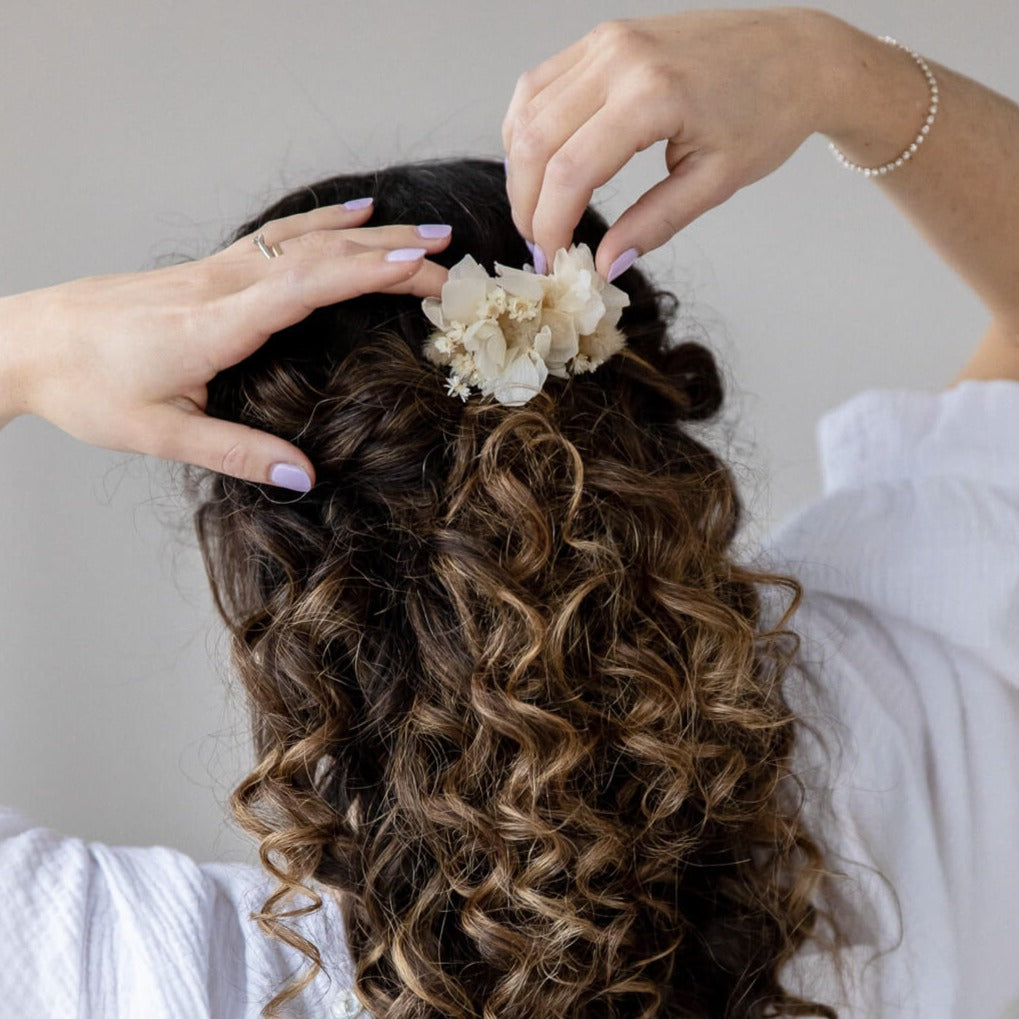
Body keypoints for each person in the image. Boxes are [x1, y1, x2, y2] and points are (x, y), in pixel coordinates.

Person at [1, 7, 1017, 1019]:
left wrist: (29, 346)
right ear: (646, 450)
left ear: (271, 572)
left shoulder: (150, 969)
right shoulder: (920, 683)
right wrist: (837, 72)